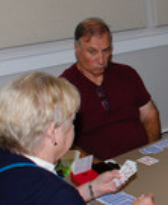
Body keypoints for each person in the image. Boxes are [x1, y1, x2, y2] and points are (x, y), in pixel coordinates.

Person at [0, 72, 168, 205]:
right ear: (53, 133)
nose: (74, 128)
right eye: (71, 122)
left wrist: (91, 189)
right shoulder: (54, 197)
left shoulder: (9, 162)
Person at [60, 18, 160, 160]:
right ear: (77, 49)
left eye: (106, 51)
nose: (101, 60)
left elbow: (149, 114)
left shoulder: (127, 74)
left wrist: (152, 150)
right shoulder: (64, 88)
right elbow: (63, 144)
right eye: (92, 52)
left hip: (142, 159)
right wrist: (100, 167)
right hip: (99, 170)